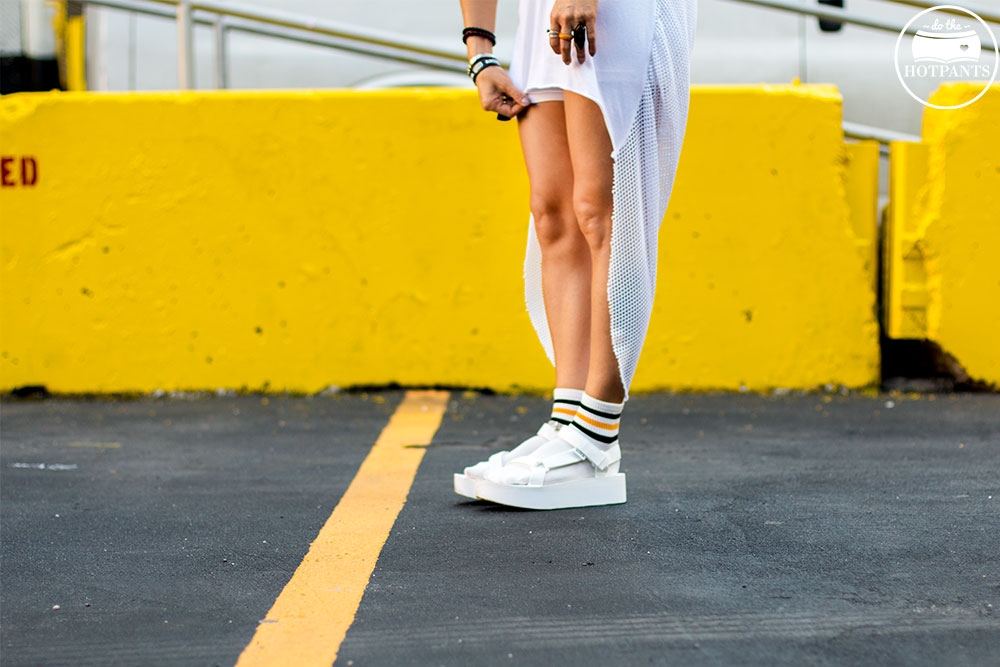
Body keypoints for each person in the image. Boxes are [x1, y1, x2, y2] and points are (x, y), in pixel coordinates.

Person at [453, 0, 697, 510]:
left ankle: (596, 435)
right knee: (553, 216)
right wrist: (481, 50)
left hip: (614, 11)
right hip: (541, 13)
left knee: (600, 210)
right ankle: (567, 422)